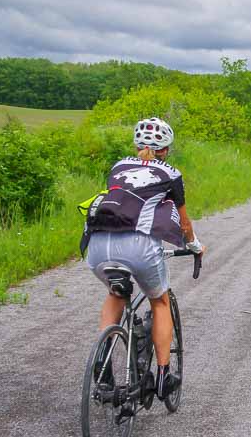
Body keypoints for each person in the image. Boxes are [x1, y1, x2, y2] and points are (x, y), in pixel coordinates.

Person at [80, 117, 203, 400]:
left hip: (98, 245)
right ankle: (162, 377)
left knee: (116, 294)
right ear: (166, 149)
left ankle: (102, 364)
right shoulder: (171, 173)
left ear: (136, 145)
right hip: (138, 245)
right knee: (159, 301)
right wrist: (195, 246)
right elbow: (184, 225)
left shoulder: (117, 166)